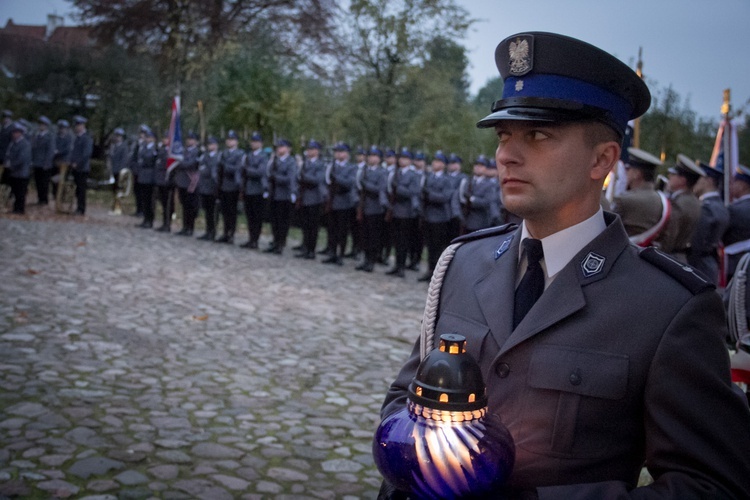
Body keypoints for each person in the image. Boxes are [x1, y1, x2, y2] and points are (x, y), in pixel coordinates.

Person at [379, 31, 750, 499]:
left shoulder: (667, 308)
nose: (505, 154)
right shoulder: (463, 262)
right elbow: (403, 398)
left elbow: (713, 485)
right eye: (504, 135)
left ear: (602, 159)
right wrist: (423, 469)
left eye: (537, 135)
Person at [610, 147, 669, 245]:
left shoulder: (624, 200)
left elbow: (606, 231)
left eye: (628, 169)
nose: (626, 173)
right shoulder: (662, 201)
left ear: (637, 174)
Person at [688, 161, 729, 285]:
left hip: (698, 265)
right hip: (711, 264)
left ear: (708, 181)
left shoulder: (706, 208)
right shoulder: (721, 206)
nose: (694, 183)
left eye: (698, 178)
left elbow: (697, 242)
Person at [657, 154, 704, 263]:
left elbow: (669, 236)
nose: (669, 176)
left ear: (682, 180)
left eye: (673, 174)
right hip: (680, 257)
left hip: (669, 257)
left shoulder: (679, 203)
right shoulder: (694, 201)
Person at [385, 148, 421, 277]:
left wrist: (398, 188)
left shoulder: (413, 175)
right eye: (401, 158)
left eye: (405, 158)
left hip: (406, 212)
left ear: (410, 161)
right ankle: (396, 265)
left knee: (403, 241)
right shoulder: (395, 173)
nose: (402, 161)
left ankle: (401, 267)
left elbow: (413, 192)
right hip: (395, 211)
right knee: (396, 240)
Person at [418, 150, 453, 282]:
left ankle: (437, 275)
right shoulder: (428, 177)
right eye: (434, 161)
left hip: (440, 218)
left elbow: (445, 197)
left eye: (438, 161)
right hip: (428, 216)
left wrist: (430, 194)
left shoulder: (446, 179)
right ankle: (429, 270)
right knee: (430, 247)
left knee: (438, 248)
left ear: (443, 164)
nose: (435, 163)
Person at [322, 142, 357, 265]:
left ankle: (340, 253)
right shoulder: (331, 166)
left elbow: (350, 182)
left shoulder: (352, 167)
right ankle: (331, 252)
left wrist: (337, 178)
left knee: (342, 230)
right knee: (331, 229)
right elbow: (324, 181)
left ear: (347, 154)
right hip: (332, 200)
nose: (338, 154)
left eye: (341, 152)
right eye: (337, 151)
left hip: (344, 201)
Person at [356, 146, 389, 272]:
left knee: (373, 236)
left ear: (379, 159)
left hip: (375, 208)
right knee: (364, 236)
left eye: (374, 156)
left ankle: (371, 261)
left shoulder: (382, 172)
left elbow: (379, 189)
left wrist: (367, 185)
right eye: (370, 156)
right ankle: (365, 259)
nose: (371, 158)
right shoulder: (365, 170)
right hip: (364, 207)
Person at [264, 138, 296, 254]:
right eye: (278, 147)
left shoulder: (291, 162)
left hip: (284, 195)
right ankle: (275, 241)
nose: (279, 149)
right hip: (274, 194)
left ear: (288, 149)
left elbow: (289, 178)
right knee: (274, 220)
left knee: (283, 221)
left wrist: (276, 177)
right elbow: (268, 173)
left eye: (281, 147)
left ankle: (281, 243)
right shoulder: (274, 161)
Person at [296, 139, 326, 259]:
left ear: (317, 151)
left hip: (315, 198)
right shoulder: (305, 163)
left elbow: (317, 180)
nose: (309, 151)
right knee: (305, 224)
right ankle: (305, 247)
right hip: (304, 197)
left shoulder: (320, 164)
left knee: (313, 226)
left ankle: (311, 250)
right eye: (308, 149)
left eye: (312, 149)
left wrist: (304, 175)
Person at [238, 132, 267, 249]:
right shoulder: (248, 156)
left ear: (260, 144)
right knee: (249, 216)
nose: (254, 144)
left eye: (256, 142)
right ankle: (251, 238)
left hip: (258, 189)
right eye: (252, 142)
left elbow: (260, 172)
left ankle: (255, 239)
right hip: (248, 189)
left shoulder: (263, 156)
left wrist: (247, 170)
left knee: (257, 216)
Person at [216, 130, 244, 244]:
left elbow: (238, 169)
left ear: (236, 142)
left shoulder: (240, 154)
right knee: (224, 210)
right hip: (223, 184)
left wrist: (225, 166)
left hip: (233, 185)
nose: (229, 141)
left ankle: (231, 233)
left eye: (232, 139)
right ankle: (225, 232)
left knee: (232, 211)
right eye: (228, 139)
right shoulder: (223, 153)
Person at [723, 165, 750, 280]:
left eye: (735, 182)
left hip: (733, 262)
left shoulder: (735, 209)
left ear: (743, 185)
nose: (731, 185)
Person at [461, 154, 496, 233]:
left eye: (481, 165)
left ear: (486, 169)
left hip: (481, 222)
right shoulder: (468, 181)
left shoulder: (489, 184)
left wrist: (472, 199)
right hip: (466, 220)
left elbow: (487, 202)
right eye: (476, 164)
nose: (477, 167)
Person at [174, 132, 200, 236]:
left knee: (191, 206)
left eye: (192, 139)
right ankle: (185, 227)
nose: (189, 141)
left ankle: (190, 228)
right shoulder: (182, 151)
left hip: (191, 182)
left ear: (196, 141)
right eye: (188, 139)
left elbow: (191, 164)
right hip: (182, 181)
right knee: (184, 205)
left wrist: (180, 163)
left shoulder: (198, 152)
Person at [196, 136, 220, 241]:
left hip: (214, 187)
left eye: (213, 144)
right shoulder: (204, 156)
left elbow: (212, 171)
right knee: (207, 211)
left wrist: (206, 170)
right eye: (209, 144)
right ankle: (208, 230)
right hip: (204, 186)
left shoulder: (219, 156)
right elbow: (201, 169)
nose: (211, 146)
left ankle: (213, 231)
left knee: (213, 211)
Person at [68, 115, 93, 215]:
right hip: (76, 168)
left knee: (81, 190)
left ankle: (81, 208)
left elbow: (86, 154)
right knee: (78, 189)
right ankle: (78, 207)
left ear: (83, 126)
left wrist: (77, 163)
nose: (76, 127)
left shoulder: (86, 138)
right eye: (76, 125)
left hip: (82, 168)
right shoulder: (77, 138)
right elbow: (74, 152)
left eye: (79, 125)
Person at [5, 122, 31, 214]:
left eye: (16, 132)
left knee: (20, 192)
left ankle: (20, 209)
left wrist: (11, 165)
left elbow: (22, 159)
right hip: (14, 172)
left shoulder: (25, 144)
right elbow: (8, 155)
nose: (14, 134)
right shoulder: (13, 144)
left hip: (21, 173)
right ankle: (16, 208)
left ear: (20, 133)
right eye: (13, 132)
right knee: (15, 191)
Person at [31, 116, 56, 205]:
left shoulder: (49, 137)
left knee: (44, 183)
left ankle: (44, 200)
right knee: (37, 182)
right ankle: (39, 198)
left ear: (46, 126)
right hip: (37, 163)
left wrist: (47, 163)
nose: (40, 126)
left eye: (42, 125)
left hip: (45, 164)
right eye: (40, 124)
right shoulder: (37, 136)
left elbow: (50, 151)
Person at [135, 128, 157, 228]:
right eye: (146, 137)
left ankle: (150, 220)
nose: (147, 139)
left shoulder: (154, 149)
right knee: (144, 199)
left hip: (150, 176)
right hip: (142, 175)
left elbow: (148, 160)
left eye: (149, 137)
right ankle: (145, 219)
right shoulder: (143, 147)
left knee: (150, 200)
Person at [153, 132, 175, 232]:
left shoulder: (173, 151)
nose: (165, 140)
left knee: (168, 204)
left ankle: (167, 224)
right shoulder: (161, 149)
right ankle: (164, 223)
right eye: (164, 138)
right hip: (161, 180)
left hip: (168, 181)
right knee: (163, 203)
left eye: (167, 138)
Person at [107, 127, 129, 212]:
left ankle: (118, 206)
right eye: (116, 136)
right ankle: (114, 205)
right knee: (114, 189)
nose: (117, 138)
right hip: (113, 170)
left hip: (119, 172)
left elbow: (123, 160)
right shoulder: (113, 146)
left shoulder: (124, 147)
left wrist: (120, 171)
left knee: (119, 189)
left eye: (119, 136)